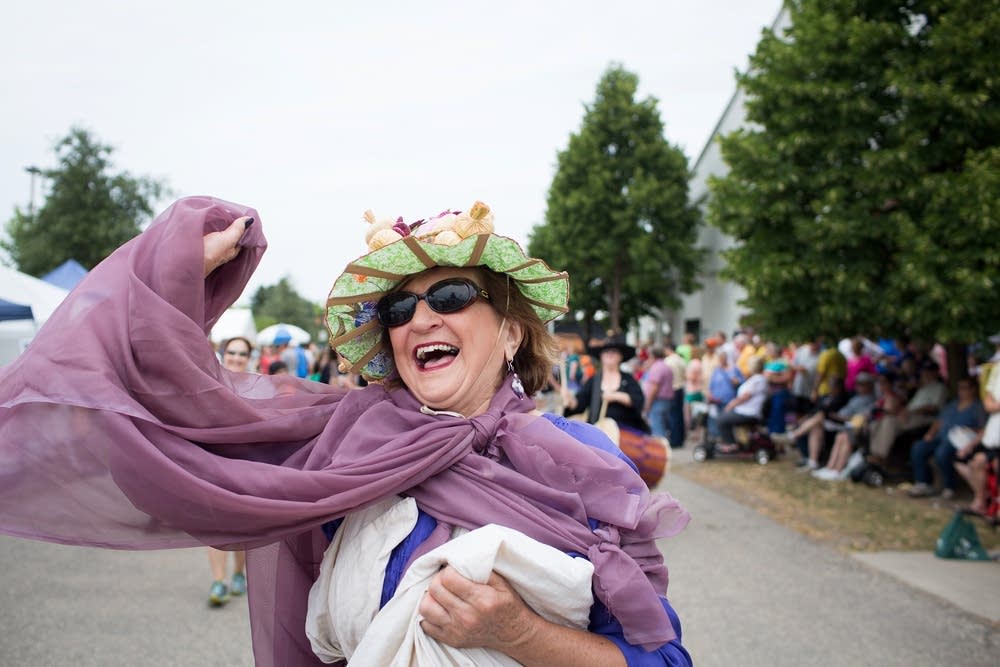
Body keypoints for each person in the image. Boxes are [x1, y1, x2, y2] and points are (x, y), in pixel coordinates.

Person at [0, 197, 690, 666]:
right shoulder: (347, 443)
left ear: (511, 331)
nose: (420, 319)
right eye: (398, 308)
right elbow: (168, 429)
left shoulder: (585, 462)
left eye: (450, 296)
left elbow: (664, 657)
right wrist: (175, 271)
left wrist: (520, 633)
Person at [205, 336, 252, 605]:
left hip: (246, 466)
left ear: (249, 358)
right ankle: (219, 581)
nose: (236, 357)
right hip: (214, 463)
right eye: (232, 352)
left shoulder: (260, 385)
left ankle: (238, 574)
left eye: (242, 353)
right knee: (215, 527)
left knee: (243, 528)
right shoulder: (211, 382)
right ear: (224, 353)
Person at [908, 376, 986, 498]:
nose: (961, 391)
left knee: (942, 452)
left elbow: (983, 429)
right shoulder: (952, 405)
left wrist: (968, 431)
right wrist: (930, 434)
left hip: (960, 441)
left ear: (973, 389)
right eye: (959, 388)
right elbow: (938, 422)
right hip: (940, 437)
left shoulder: (978, 407)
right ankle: (922, 483)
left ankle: (949, 487)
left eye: (965, 388)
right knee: (919, 447)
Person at [563, 335, 650, 435]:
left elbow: (639, 401)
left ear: (621, 356)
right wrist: (569, 399)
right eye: (606, 351)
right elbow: (579, 403)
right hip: (599, 435)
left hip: (626, 435)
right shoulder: (594, 380)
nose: (610, 354)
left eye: (614, 352)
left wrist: (616, 396)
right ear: (601, 356)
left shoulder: (628, 379)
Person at [716, 356, 768, 452]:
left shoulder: (758, 379)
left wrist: (731, 404)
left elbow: (745, 396)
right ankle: (734, 442)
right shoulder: (756, 379)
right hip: (745, 411)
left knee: (721, 420)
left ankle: (731, 444)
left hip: (749, 413)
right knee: (724, 417)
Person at [639, 347, 674, 441]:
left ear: (652, 356)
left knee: (657, 427)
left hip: (658, 400)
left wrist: (648, 403)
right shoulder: (665, 366)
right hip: (665, 400)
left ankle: (661, 449)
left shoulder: (657, 368)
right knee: (662, 424)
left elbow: (654, 387)